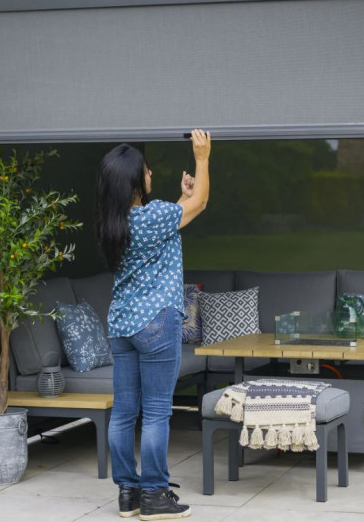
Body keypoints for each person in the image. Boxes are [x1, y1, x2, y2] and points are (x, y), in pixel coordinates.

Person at [95, 129, 211, 520]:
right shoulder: (152, 214)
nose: (150, 173)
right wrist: (203, 157)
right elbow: (202, 203)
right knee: (158, 410)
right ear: (133, 180)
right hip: (157, 323)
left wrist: (182, 196)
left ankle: (128, 493)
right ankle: (156, 495)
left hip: (123, 326)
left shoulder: (114, 223)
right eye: (146, 170)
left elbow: (175, 218)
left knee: (126, 411)